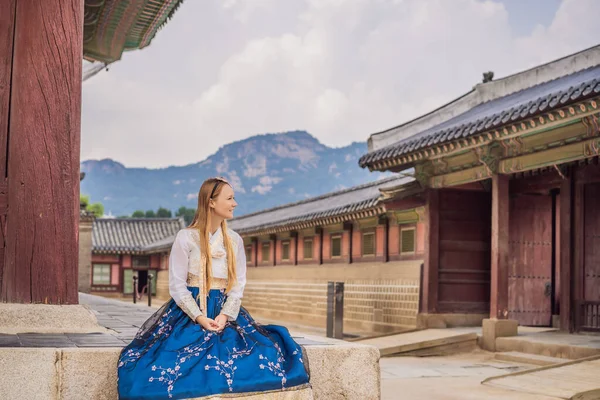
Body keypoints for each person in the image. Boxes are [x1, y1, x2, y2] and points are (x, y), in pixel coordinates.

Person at [118, 177, 311, 399]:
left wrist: (225, 315)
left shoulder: (234, 240)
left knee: (259, 354)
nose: (235, 203)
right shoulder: (186, 237)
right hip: (188, 312)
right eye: (229, 198)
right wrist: (199, 317)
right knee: (159, 366)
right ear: (211, 202)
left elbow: (237, 285)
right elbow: (177, 286)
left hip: (224, 311)